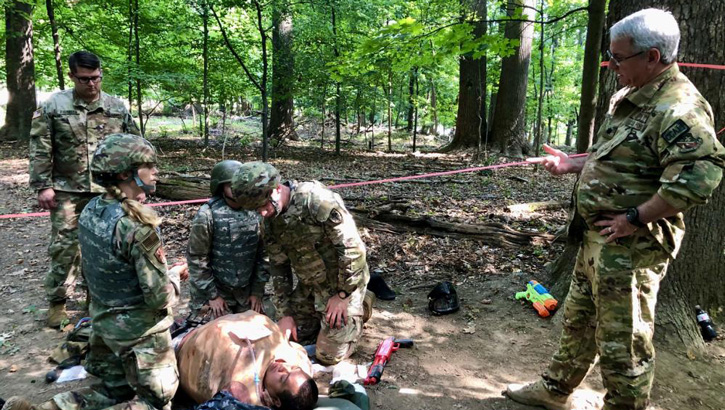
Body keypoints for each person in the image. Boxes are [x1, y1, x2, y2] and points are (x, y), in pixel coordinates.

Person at [507, 8, 725, 410]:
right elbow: (618, 153)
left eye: (618, 57)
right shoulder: (630, 95)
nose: (611, 65)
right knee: (579, 321)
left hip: (631, 248)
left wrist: (634, 218)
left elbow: (698, 180)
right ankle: (554, 390)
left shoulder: (679, 109)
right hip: (597, 240)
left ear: (652, 57)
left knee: (623, 343)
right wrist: (574, 163)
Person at [2, 134, 182, 410]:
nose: (156, 171)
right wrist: (175, 278)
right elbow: (157, 297)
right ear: (127, 173)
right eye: (150, 165)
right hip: (139, 336)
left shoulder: (92, 210)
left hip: (103, 326)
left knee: (108, 393)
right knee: (156, 403)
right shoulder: (137, 227)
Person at [29, 50, 141, 327]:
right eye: (84, 79)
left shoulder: (117, 107)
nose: (91, 84)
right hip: (68, 190)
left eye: (96, 78)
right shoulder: (54, 106)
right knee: (65, 247)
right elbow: (41, 147)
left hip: (108, 192)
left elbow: (136, 146)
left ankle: (97, 300)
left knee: (105, 247)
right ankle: (58, 301)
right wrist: (43, 185)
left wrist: (137, 184)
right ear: (72, 76)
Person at [230, 162, 372, 365]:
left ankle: (362, 304)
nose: (261, 213)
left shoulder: (316, 201)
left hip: (343, 284)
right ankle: (320, 314)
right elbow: (279, 267)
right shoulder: (270, 219)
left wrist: (343, 295)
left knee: (328, 356)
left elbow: (353, 250)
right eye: (256, 209)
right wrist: (285, 314)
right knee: (294, 336)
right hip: (310, 286)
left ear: (277, 189)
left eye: (263, 206)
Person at [176, 311, 318, 410]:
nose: (284, 367)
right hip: (206, 322)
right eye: (292, 368)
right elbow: (299, 354)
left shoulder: (241, 394)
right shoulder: (299, 362)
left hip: (179, 344)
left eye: (283, 378)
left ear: (275, 400)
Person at [187, 160, 268, 319]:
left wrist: (257, 292)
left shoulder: (256, 212)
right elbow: (197, 258)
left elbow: (263, 255)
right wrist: (212, 295)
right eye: (232, 185)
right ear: (220, 187)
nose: (238, 190)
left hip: (246, 292)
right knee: (214, 336)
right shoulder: (207, 215)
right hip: (215, 293)